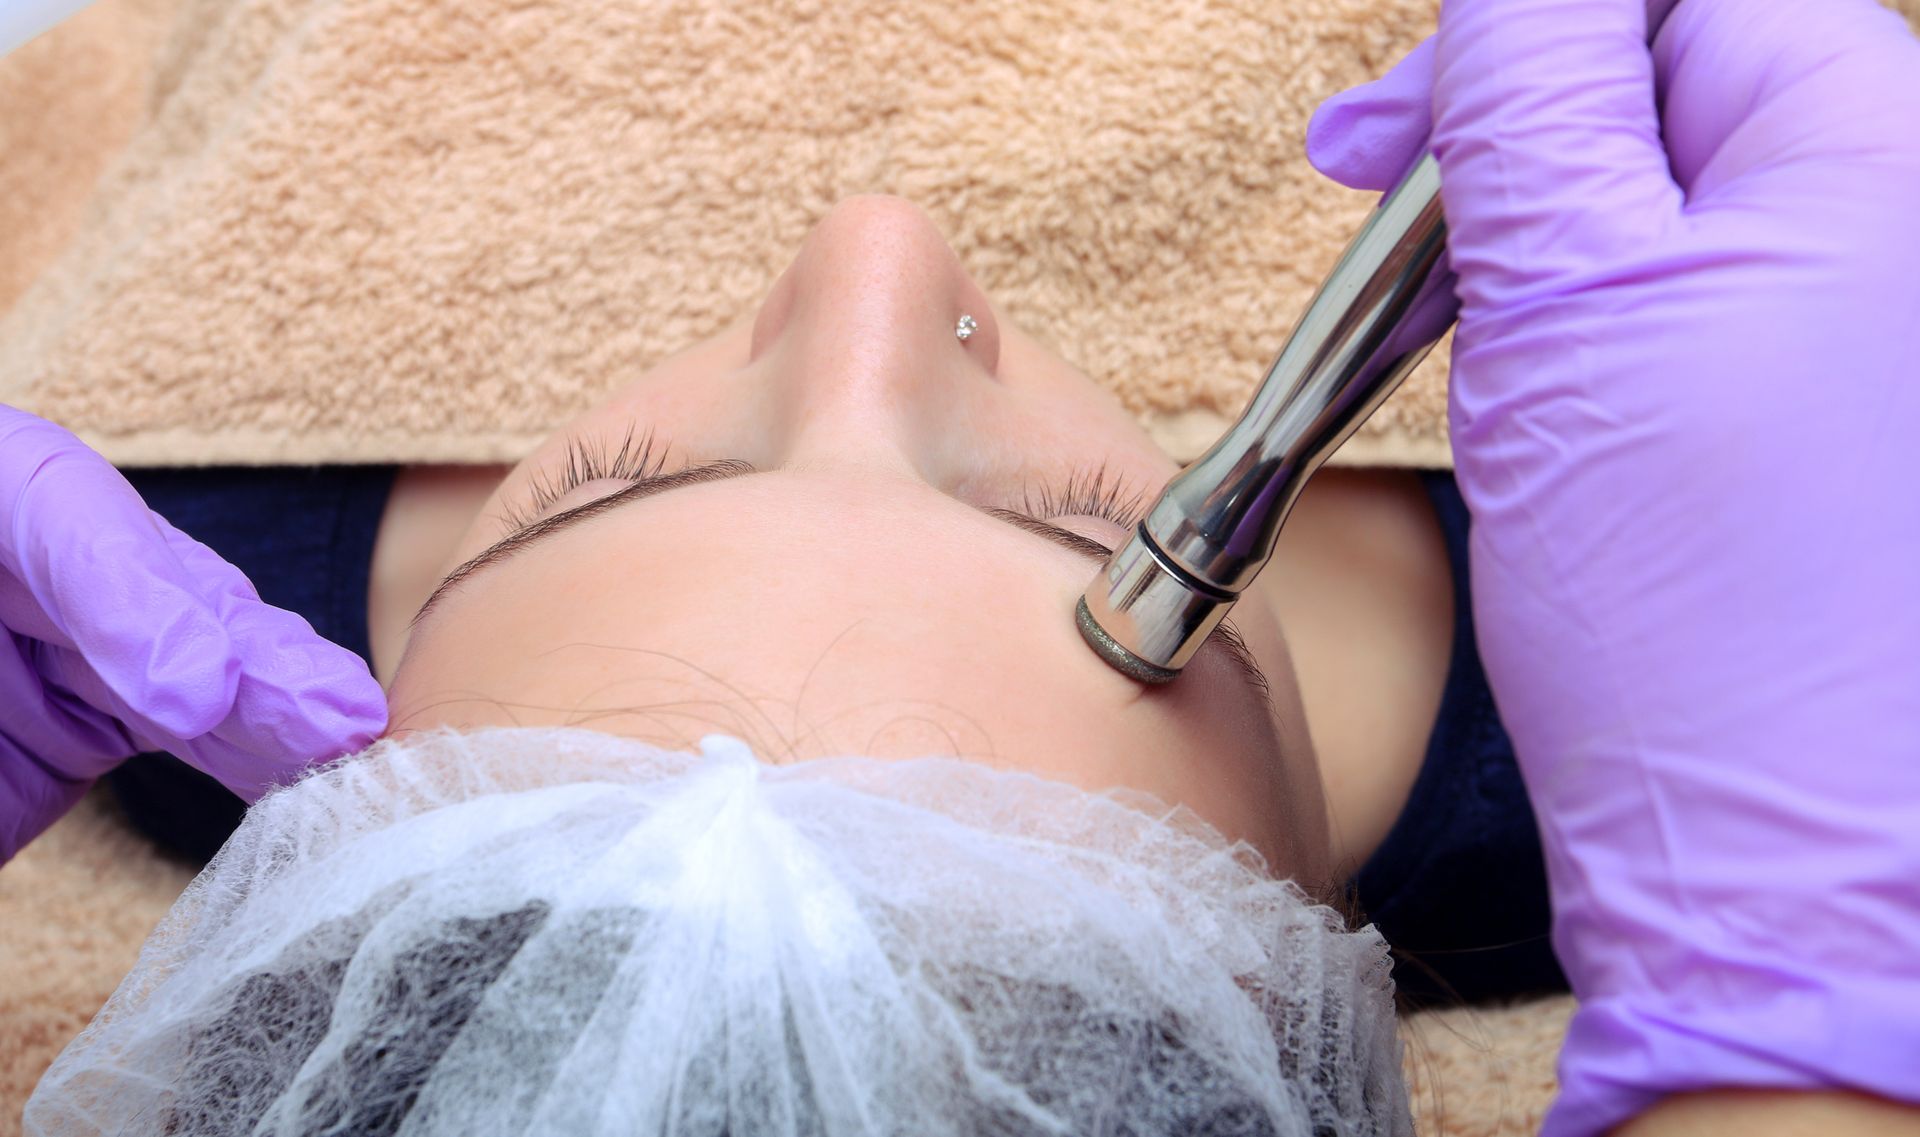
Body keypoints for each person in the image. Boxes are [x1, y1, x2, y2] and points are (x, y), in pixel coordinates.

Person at [4, 0, 1917, 1132]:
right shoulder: (1822, 743)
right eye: (1080, 529)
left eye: (586, 482)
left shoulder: (161, 563)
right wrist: (1794, 1025)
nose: (879, 253)